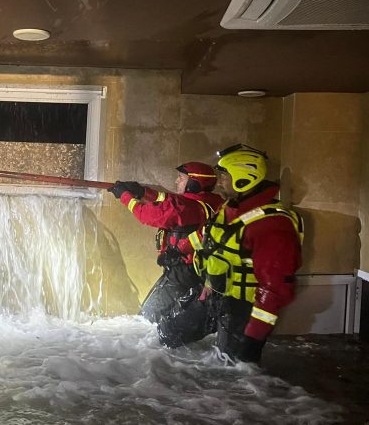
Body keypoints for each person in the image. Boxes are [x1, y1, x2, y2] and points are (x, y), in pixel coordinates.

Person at [157, 145, 303, 364]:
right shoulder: (231, 208)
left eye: (224, 176)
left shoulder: (272, 224)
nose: (219, 181)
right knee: (165, 334)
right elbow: (208, 235)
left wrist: (254, 336)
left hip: (243, 310)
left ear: (244, 178)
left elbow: (274, 289)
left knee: (231, 373)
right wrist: (179, 250)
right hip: (213, 295)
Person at [107, 162, 223, 324]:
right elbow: (168, 199)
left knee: (146, 321)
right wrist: (143, 192)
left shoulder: (184, 207)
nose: (177, 181)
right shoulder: (212, 202)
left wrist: (125, 196)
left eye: (181, 178)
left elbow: (147, 214)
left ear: (194, 183)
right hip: (199, 271)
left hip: (181, 273)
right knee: (171, 320)